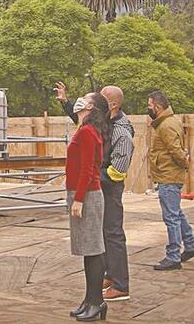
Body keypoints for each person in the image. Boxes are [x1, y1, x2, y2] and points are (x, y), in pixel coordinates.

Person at [56, 82, 134, 301]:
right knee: (99, 236)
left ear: (112, 105)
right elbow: (80, 119)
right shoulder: (101, 122)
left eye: (99, 100)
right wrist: (65, 102)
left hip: (108, 187)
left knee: (112, 233)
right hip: (95, 184)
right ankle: (109, 274)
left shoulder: (121, 130)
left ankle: (120, 284)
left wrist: (92, 179)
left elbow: (119, 168)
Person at [64, 92, 110, 321]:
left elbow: (88, 169)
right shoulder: (84, 129)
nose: (80, 100)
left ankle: (97, 302)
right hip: (82, 193)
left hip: (88, 194)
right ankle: (89, 299)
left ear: (92, 107)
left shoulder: (88, 132)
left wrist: (79, 199)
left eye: (85, 98)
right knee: (87, 249)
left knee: (93, 249)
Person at [147, 90, 194, 270]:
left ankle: (173, 256)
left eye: (150, 106)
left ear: (158, 106)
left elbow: (176, 150)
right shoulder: (168, 122)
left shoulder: (166, 126)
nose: (149, 109)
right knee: (176, 213)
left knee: (171, 217)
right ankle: (191, 246)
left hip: (168, 176)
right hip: (168, 174)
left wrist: (185, 163)